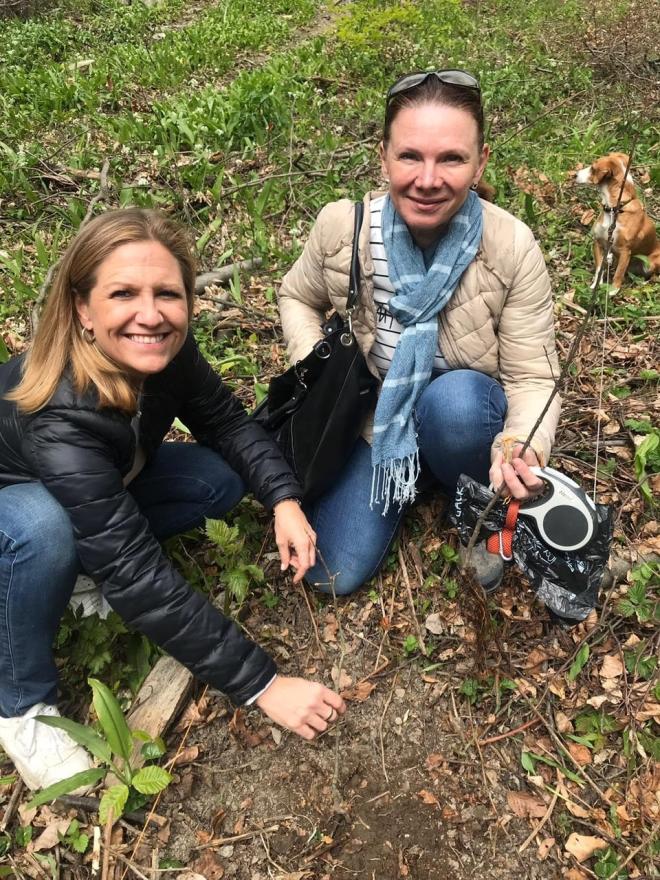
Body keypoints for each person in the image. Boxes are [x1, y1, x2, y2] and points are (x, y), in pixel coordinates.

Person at [0, 209, 345, 792]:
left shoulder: (166, 351)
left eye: (168, 293)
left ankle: (80, 572)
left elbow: (226, 423)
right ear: (82, 309)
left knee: (217, 479)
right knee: (44, 526)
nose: (151, 314)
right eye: (123, 294)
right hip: (18, 505)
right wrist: (262, 683)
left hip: (100, 479)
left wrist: (284, 499)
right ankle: (20, 706)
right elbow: (134, 573)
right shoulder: (58, 408)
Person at [278, 69, 561, 596]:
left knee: (453, 404)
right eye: (410, 156)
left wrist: (522, 445)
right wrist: (313, 361)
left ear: (480, 163)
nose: (428, 179)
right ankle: (409, 475)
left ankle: (471, 494)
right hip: (374, 419)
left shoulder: (510, 247)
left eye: (451, 158)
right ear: (383, 156)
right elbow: (296, 295)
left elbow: (534, 376)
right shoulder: (345, 229)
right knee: (331, 573)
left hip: (465, 420)